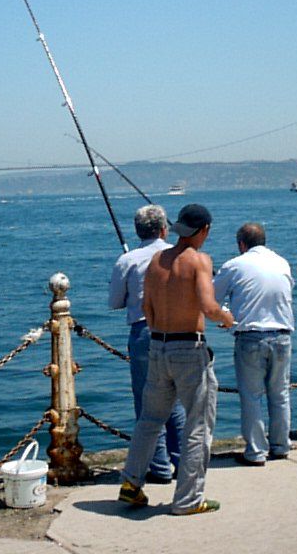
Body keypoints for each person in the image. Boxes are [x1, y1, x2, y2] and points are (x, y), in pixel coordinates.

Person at [118, 204, 235, 515]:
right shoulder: (199, 261)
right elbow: (209, 306)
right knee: (198, 424)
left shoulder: (157, 260)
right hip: (189, 350)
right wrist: (226, 318)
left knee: (150, 419)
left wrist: (161, 335)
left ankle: (131, 483)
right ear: (204, 230)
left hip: (158, 346)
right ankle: (188, 500)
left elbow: (147, 307)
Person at [108, 204, 185, 484]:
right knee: (175, 401)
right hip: (179, 332)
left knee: (147, 402)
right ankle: (183, 462)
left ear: (137, 230)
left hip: (143, 333)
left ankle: (159, 467)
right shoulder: (181, 256)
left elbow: (115, 301)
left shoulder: (128, 260)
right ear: (164, 228)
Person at [214, 222, 295, 465]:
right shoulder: (282, 262)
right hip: (282, 335)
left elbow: (212, 298)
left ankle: (256, 452)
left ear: (241, 244)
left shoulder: (234, 265)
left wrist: (227, 314)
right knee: (280, 395)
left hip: (250, 337)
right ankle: (281, 446)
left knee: (251, 397)